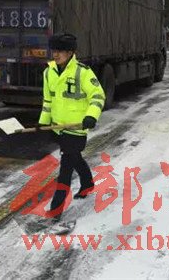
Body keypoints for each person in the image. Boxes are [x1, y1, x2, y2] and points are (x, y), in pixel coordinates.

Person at [38, 33, 105, 217]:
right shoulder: (48, 72)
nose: (55, 54)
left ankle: (56, 208)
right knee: (74, 157)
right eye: (54, 50)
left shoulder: (82, 72)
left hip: (76, 128)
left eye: (60, 51)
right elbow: (48, 101)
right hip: (58, 127)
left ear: (70, 53)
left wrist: (91, 116)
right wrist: (43, 123)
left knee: (66, 168)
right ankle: (88, 184)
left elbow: (98, 96)